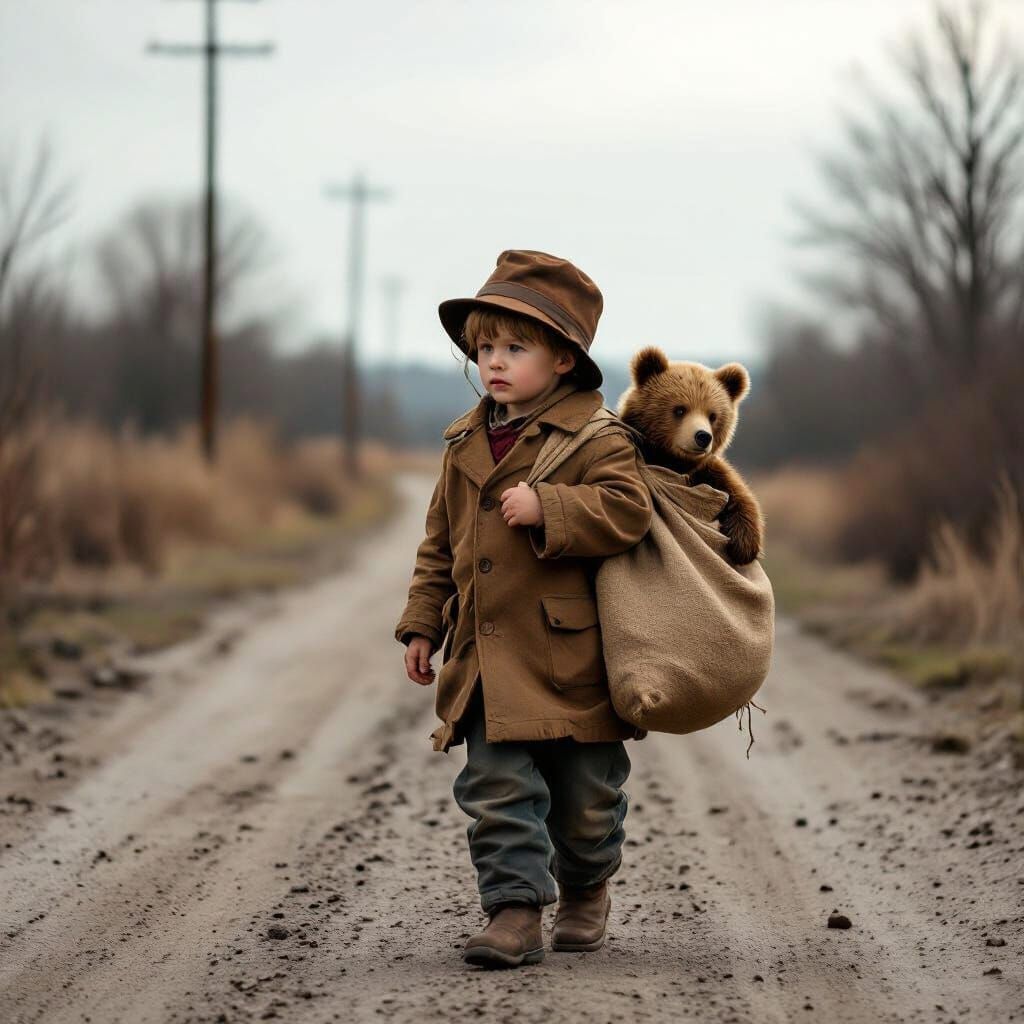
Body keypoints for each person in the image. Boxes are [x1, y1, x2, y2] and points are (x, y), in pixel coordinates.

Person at [393, 249, 652, 969]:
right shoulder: (464, 443)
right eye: (484, 348)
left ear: (564, 360)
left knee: (586, 801)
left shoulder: (597, 438)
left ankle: (587, 887)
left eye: (515, 347)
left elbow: (628, 512)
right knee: (495, 788)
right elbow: (439, 543)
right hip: (489, 657)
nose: (494, 363)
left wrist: (552, 506)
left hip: (575, 658)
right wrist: (422, 620)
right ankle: (511, 911)